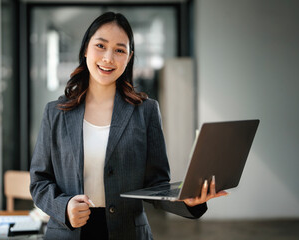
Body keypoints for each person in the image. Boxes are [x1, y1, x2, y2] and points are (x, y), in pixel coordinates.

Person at [29, 12, 228, 240]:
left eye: (120, 50)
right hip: (68, 233)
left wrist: (187, 201)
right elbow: (39, 182)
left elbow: (157, 185)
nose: (108, 58)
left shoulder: (146, 111)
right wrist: (63, 207)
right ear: (86, 49)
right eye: (101, 46)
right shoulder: (55, 113)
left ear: (129, 57)